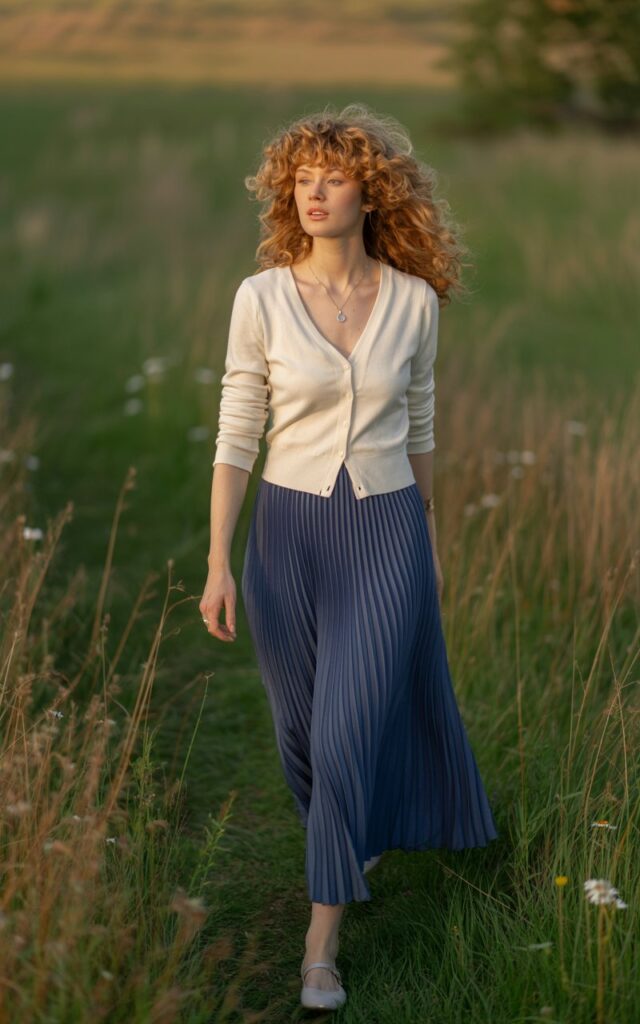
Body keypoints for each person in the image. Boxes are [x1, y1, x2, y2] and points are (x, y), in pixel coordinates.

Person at [200, 102, 499, 1012]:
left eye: (334, 177)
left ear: (372, 193)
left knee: (343, 733)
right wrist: (219, 560)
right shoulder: (260, 299)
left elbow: (420, 424)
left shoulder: (413, 301)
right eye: (302, 179)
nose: (315, 193)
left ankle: (319, 947)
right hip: (286, 535)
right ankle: (350, 832)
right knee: (301, 735)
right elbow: (238, 428)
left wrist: (428, 541)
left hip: (386, 530)